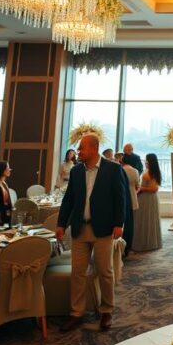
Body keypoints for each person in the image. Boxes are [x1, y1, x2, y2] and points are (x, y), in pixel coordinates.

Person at [55, 134, 126, 333]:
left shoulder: (112, 169)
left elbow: (120, 199)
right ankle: (76, 313)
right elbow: (68, 200)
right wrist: (61, 223)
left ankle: (106, 311)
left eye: (81, 148)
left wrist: (119, 223)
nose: (78, 152)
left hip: (103, 228)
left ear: (94, 148)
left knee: (105, 271)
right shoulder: (77, 171)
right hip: (79, 228)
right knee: (78, 272)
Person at [132, 153, 162, 252]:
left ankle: (146, 243)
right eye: (145, 160)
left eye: (147, 160)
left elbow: (154, 188)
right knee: (142, 220)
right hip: (145, 198)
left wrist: (141, 188)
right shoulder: (149, 171)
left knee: (146, 219)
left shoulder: (152, 172)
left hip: (148, 199)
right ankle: (142, 241)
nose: (145, 162)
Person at [120, 152, 141, 256]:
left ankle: (118, 246)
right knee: (129, 224)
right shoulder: (135, 171)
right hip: (132, 197)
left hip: (121, 198)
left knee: (119, 222)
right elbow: (137, 185)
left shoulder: (120, 169)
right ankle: (128, 247)